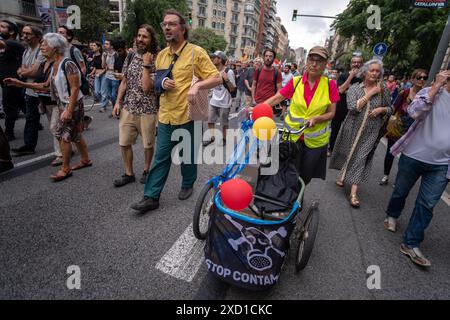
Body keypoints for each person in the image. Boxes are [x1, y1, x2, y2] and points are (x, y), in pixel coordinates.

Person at [130, 10, 221, 213]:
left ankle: (188, 182)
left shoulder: (196, 52)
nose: (167, 28)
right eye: (165, 25)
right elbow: (157, 83)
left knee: (187, 155)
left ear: (182, 28)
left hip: (187, 115)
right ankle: (151, 196)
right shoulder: (162, 55)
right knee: (161, 157)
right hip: (166, 116)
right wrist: (161, 81)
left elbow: (217, 78)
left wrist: (197, 86)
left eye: (172, 24)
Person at [383, 70, 450, 268]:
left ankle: (411, 243)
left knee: (427, 204)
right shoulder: (429, 92)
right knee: (401, 191)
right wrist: (436, 87)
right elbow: (414, 112)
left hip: (442, 164)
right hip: (414, 155)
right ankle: (392, 214)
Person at [5, 33, 92, 181]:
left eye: (45, 45)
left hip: (73, 104)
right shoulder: (54, 65)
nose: (42, 48)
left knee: (62, 135)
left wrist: (68, 111)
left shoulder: (68, 63)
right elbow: (46, 86)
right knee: (76, 134)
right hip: (64, 104)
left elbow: (75, 88)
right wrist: (21, 84)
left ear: (56, 48)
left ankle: (65, 168)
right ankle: (85, 160)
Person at [263, 46, 339, 185]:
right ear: (306, 61)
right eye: (311, 59)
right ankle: (286, 200)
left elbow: (331, 113)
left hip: (315, 142)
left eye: (319, 61)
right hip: (292, 136)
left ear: (325, 65)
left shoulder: (330, 85)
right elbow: (276, 98)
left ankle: (297, 201)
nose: (314, 64)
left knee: (305, 177)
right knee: (287, 172)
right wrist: (258, 109)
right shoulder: (296, 81)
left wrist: (317, 118)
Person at [330, 59, 392, 208]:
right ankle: (343, 175)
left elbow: (390, 108)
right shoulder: (355, 88)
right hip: (352, 127)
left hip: (371, 131)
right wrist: (371, 93)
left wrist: (382, 110)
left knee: (360, 158)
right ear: (365, 72)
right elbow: (353, 107)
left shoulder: (383, 88)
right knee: (349, 153)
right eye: (372, 70)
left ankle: (353, 192)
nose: (375, 73)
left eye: (378, 71)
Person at [112, 25, 159, 187]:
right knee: (124, 143)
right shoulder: (130, 55)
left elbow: (147, 87)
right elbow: (124, 81)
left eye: (144, 36)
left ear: (151, 39)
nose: (140, 39)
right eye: (138, 36)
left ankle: (146, 170)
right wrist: (118, 102)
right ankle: (128, 173)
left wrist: (147, 64)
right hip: (128, 107)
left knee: (148, 144)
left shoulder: (157, 58)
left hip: (148, 110)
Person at [380, 69, 428, 185]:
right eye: (419, 77)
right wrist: (387, 124)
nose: (422, 80)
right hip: (398, 128)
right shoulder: (404, 92)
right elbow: (394, 108)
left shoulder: (426, 96)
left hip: (413, 130)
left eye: (424, 78)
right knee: (390, 153)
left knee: (405, 157)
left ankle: (399, 180)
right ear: (412, 79)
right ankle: (386, 175)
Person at [11, 25, 44, 156]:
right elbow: (21, 70)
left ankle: (64, 147)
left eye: (28, 34)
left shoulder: (41, 50)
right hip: (29, 90)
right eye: (23, 33)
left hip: (42, 90)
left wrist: (25, 72)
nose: (24, 36)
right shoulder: (26, 51)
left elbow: (35, 72)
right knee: (30, 118)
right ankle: (29, 145)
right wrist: (26, 72)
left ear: (37, 36)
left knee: (55, 120)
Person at [328, 53, 363, 156]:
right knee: (335, 129)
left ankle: (346, 153)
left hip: (354, 109)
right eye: (354, 62)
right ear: (351, 64)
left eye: (358, 62)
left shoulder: (364, 77)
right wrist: (351, 76)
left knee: (350, 132)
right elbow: (341, 90)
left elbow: (362, 93)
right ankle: (331, 149)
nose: (356, 64)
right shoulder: (344, 75)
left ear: (361, 64)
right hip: (340, 107)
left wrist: (349, 91)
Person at [203, 51, 236, 147]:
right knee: (210, 121)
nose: (213, 59)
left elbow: (233, 88)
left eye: (215, 57)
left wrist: (226, 79)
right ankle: (212, 138)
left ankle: (225, 139)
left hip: (225, 102)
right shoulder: (213, 70)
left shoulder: (228, 72)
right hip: (214, 100)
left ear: (220, 59)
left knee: (224, 123)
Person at [0, 20, 25, 142]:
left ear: (11, 31)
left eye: (2, 26)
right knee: (21, 103)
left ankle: (8, 133)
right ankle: (35, 123)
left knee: (8, 106)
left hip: (12, 81)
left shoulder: (12, 43)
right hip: (5, 80)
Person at [99, 39, 119, 113]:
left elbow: (118, 66)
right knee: (110, 95)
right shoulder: (104, 54)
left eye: (107, 44)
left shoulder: (116, 54)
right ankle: (115, 109)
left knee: (114, 95)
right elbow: (103, 66)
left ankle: (116, 109)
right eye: (105, 44)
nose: (105, 45)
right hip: (107, 76)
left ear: (111, 46)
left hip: (114, 77)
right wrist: (104, 58)